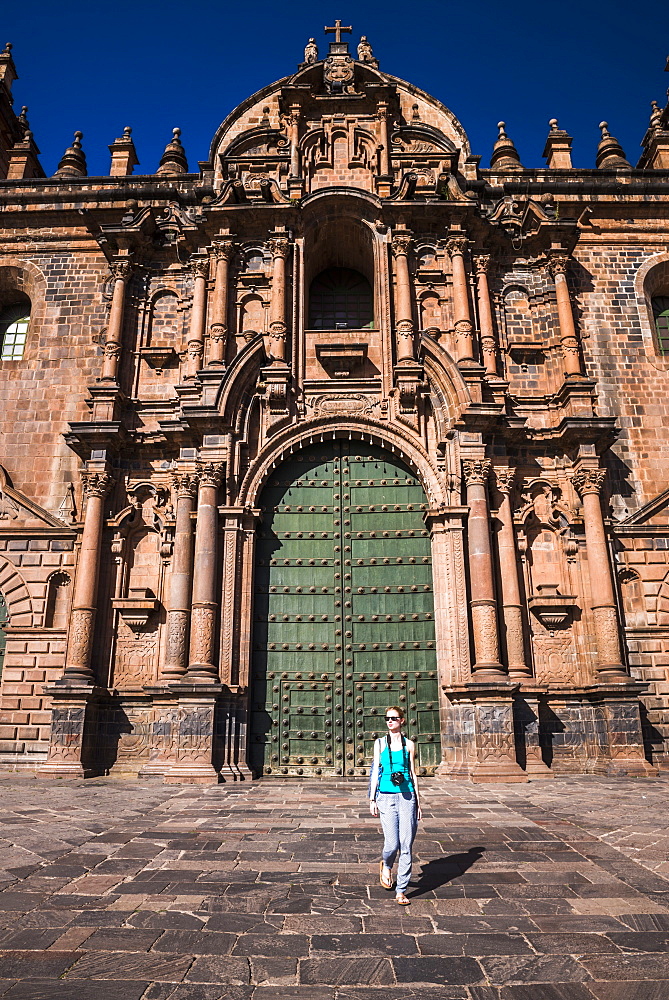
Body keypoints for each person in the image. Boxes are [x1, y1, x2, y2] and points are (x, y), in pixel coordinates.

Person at [368, 705, 421, 904]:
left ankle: (401, 890)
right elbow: (375, 772)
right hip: (386, 797)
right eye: (387, 718)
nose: (390, 721)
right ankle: (387, 865)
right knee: (392, 844)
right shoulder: (380, 743)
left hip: (407, 796)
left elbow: (413, 773)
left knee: (406, 845)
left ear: (402, 721)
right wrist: (372, 799)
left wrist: (419, 802)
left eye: (394, 718)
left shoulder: (410, 745)